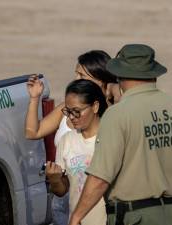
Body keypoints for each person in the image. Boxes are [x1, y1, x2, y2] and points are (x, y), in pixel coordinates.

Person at [68, 44, 172, 225]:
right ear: (153, 74)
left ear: (120, 75)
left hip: (133, 216)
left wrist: (77, 216)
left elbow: (101, 176)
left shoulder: (117, 115)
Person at [25, 50, 119, 225]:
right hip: (65, 203)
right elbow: (33, 132)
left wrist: (111, 88)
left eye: (82, 75)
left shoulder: (113, 119)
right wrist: (34, 98)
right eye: (76, 73)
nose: (76, 79)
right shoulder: (66, 111)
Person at [46, 79, 108, 225]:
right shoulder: (66, 140)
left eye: (77, 111)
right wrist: (55, 180)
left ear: (95, 106)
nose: (71, 117)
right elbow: (63, 189)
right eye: (68, 111)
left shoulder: (110, 137)